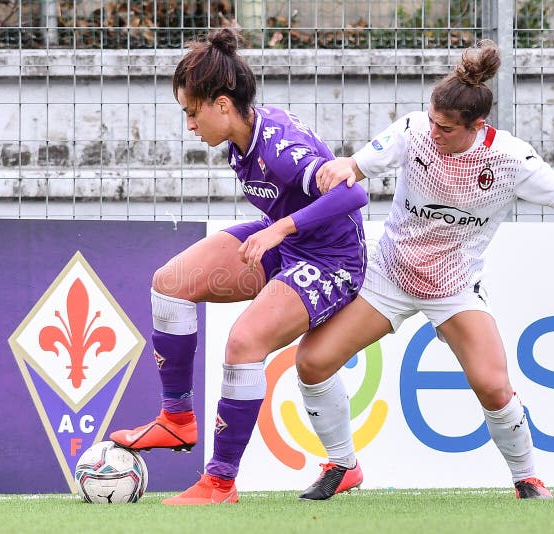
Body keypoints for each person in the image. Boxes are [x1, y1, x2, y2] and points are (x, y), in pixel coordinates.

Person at [294, 39, 554, 501]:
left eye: (445, 127)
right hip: (389, 277)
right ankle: (342, 464)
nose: (433, 132)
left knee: (492, 384)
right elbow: (358, 165)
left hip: (454, 288)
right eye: (431, 121)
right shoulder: (414, 132)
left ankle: (527, 478)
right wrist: (340, 168)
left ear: (477, 126)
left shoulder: (510, 157)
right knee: (312, 361)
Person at [109, 27, 368, 506]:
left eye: (192, 112)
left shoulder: (280, 149)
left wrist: (279, 229)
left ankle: (220, 483)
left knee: (244, 342)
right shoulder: (240, 137)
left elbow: (353, 192)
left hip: (331, 261)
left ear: (222, 105)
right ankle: (176, 419)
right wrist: (279, 230)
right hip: (288, 242)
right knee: (170, 284)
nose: (189, 125)